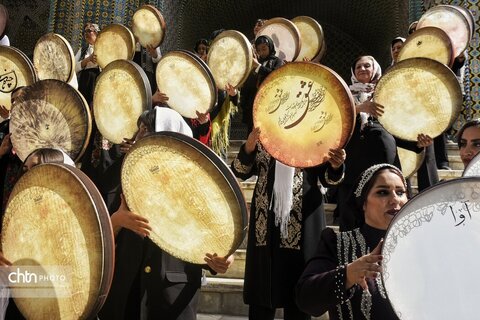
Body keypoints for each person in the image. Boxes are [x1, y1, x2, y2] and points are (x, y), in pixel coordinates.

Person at [99, 106, 234, 320]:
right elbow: (102, 239)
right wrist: (117, 221)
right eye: (140, 130)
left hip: (172, 296)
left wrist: (225, 257)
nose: (139, 137)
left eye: (146, 130)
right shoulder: (126, 179)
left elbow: (218, 236)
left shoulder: (197, 188)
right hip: (128, 295)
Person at [231, 126, 346, 320]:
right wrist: (249, 147)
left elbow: (329, 180)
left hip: (303, 219)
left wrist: (336, 165)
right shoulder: (264, 128)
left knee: (298, 293)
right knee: (263, 292)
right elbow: (240, 171)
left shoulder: (315, 133)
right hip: (266, 222)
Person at [296, 163, 408, 319]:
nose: (395, 199)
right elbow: (305, 299)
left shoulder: (419, 245)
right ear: (363, 203)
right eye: (383, 192)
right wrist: (347, 275)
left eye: (401, 192)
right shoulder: (337, 244)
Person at [336, 55, 431, 230]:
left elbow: (397, 129)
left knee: (388, 211)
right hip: (353, 165)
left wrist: (417, 144)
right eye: (359, 67)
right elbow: (333, 120)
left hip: (384, 161)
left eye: (367, 66)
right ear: (353, 72)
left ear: (375, 70)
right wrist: (358, 108)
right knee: (352, 215)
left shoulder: (387, 95)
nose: (363, 69)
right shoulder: (344, 95)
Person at [74, 22, 100, 105]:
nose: (86, 34)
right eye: (84, 32)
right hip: (85, 80)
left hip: (98, 78)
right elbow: (73, 68)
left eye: (89, 31)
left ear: (96, 32)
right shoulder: (83, 50)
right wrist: (87, 59)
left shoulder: (104, 47)